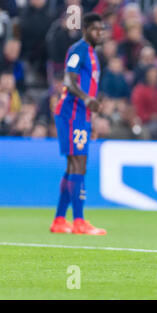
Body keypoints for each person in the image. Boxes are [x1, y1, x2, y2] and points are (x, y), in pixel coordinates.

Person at [50, 13, 106, 235]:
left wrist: (90, 113)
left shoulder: (92, 53)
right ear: (85, 30)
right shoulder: (79, 50)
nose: (99, 33)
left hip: (81, 115)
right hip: (71, 112)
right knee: (78, 164)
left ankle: (59, 220)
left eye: (101, 29)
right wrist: (86, 99)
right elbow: (68, 80)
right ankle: (80, 221)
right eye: (94, 29)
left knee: (73, 165)